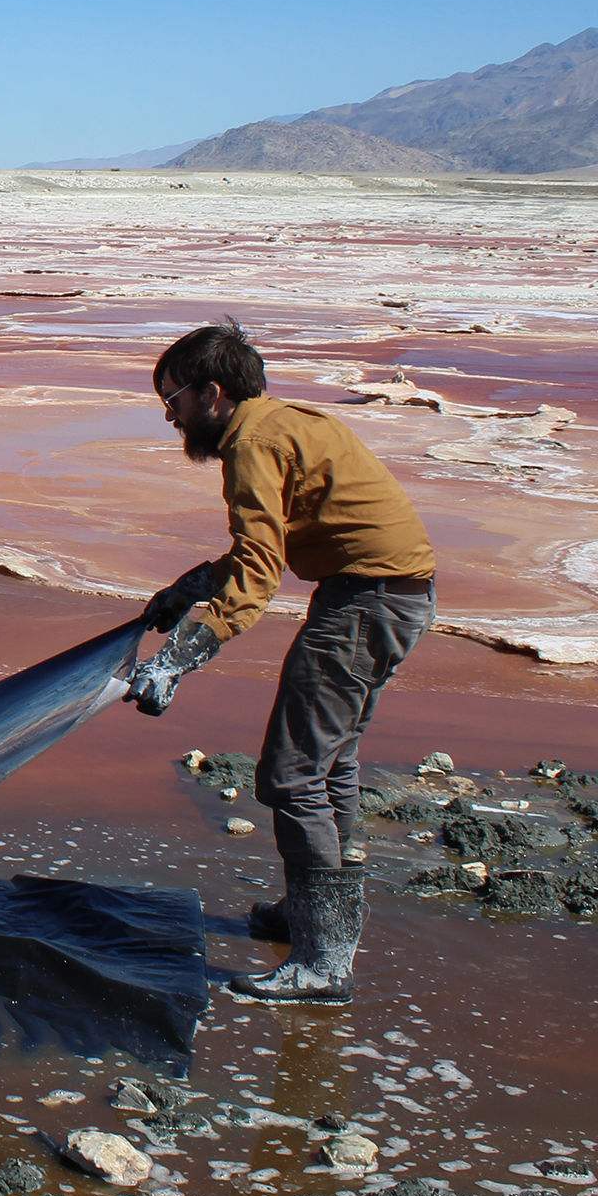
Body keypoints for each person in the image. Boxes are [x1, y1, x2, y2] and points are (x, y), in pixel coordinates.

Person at [130, 321, 436, 1004]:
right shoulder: (281, 424)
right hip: (387, 594)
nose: (171, 416)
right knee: (331, 762)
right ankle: (315, 918)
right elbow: (251, 555)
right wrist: (190, 587)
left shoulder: (253, 442)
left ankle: (325, 960)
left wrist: (178, 658)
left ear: (212, 393)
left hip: (367, 603)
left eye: (172, 400)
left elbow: (259, 577)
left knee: (294, 773)